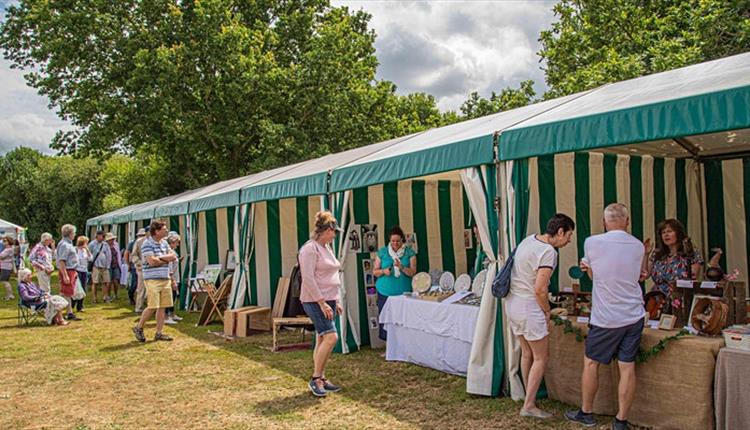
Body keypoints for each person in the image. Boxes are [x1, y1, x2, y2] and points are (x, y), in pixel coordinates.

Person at [565, 203, 646, 430]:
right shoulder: (638, 246)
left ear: (604, 222)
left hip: (606, 317)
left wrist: (587, 267)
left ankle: (587, 412)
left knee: (591, 363)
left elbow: (594, 276)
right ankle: (621, 421)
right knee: (627, 367)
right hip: (633, 314)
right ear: (627, 222)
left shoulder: (592, 242)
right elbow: (637, 275)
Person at [508, 213, 575, 419]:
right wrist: (547, 310)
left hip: (513, 304)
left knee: (527, 353)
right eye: (569, 235)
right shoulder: (548, 252)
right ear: (560, 231)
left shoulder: (528, 240)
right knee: (540, 357)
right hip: (530, 307)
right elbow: (540, 289)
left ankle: (530, 397)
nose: (570, 240)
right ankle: (529, 405)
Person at [299, 210, 344, 397]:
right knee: (331, 337)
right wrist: (322, 302)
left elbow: (332, 275)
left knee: (321, 337)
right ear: (327, 230)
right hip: (315, 300)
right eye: (334, 232)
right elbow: (308, 278)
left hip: (330, 298)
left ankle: (322, 377)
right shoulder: (310, 249)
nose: (335, 235)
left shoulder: (327, 248)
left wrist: (337, 300)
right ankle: (315, 378)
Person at [132, 220, 177, 342]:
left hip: (165, 277)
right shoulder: (147, 244)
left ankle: (159, 332)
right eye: (164, 229)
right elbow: (151, 262)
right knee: (152, 306)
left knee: (162, 307)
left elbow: (173, 256)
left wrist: (159, 259)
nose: (167, 230)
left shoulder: (164, 243)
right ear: (157, 231)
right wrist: (165, 259)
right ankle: (139, 327)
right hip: (152, 279)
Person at [372, 225, 417, 342]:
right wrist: (383, 271)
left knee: (403, 319)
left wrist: (402, 267)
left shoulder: (410, 253)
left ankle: (402, 345)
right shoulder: (383, 252)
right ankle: (388, 347)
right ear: (389, 240)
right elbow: (375, 271)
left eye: (398, 241)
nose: (395, 243)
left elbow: (413, 272)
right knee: (386, 319)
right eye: (392, 241)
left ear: (402, 240)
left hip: (403, 292)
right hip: (385, 292)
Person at [642, 218, 704, 296]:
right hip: (657, 299)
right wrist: (646, 254)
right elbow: (644, 275)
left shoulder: (690, 252)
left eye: (669, 231)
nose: (666, 235)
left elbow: (693, 277)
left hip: (679, 297)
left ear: (678, 233)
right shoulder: (657, 253)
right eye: (663, 232)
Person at [57, 224, 82, 321]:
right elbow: (62, 261)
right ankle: (67, 312)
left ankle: (68, 311)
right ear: (70, 233)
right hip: (68, 270)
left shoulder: (68, 243)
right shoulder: (64, 245)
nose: (75, 235)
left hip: (71, 270)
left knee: (68, 292)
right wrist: (65, 275)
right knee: (66, 292)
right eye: (74, 233)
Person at [164, 233, 183, 325]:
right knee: (170, 296)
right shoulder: (169, 251)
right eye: (177, 242)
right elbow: (169, 266)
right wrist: (172, 280)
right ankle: (166, 315)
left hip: (175, 276)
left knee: (173, 296)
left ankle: (172, 314)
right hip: (172, 277)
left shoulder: (172, 251)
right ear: (173, 242)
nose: (178, 244)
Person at [88, 230, 112, 303]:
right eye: (102, 236)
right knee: (95, 282)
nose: (103, 237)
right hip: (96, 266)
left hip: (104, 266)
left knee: (106, 282)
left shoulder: (105, 244)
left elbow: (108, 255)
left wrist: (107, 265)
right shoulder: (92, 244)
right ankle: (94, 298)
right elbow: (89, 254)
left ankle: (105, 297)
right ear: (97, 236)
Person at [123, 229, 145, 306]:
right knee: (134, 284)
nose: (141, 237)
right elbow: (127, 254)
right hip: (134, 266)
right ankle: (131, 297)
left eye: (143, 235)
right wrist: (128, 265)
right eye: (140, 235)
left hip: (143, 267)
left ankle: (140, 300)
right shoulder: (132, 243)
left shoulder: (146, 242)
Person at [130, 227, 150, 313]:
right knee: (141, 288)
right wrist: (139, 263)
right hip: (142, 268)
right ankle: (139, 307)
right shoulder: (139, 242)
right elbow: (134, 255)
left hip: (154, 268)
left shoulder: (158, 241)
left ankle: (151, 307)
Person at [75, 236, 92, 312]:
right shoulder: (75, 250)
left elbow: (90, 258)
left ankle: (80, 305)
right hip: (77, 270)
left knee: (83, 288)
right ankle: (73, 302)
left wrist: (87, 250)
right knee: (77, 288)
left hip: (84, 270)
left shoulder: (85, 250)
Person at [105, 233, 122, 301]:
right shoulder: (105, 246)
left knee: (116, 280)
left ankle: (116, 294)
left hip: (116, 265)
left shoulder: (116, 245)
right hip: (108, 265)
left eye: (113, 239)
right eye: (110, 240)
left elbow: (118, 255)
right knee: (108, 281)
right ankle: (108, 295)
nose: (112, 241)